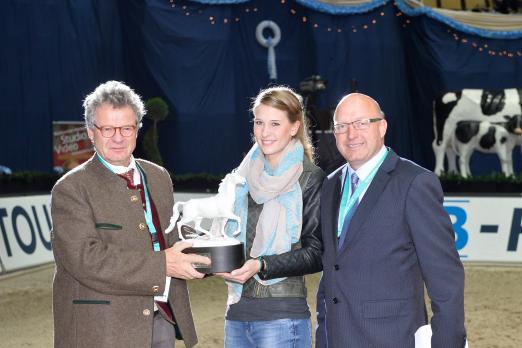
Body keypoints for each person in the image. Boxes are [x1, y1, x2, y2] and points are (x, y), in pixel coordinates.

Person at [51, 81, 210, 348]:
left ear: (137, 129)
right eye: (108, 129)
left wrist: (216, 252)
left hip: (162, 322)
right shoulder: (70, 188)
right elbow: (86, 260)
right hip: (104, 331)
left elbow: (172, 235)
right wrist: (162, 265)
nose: (118, 137)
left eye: (126, 128)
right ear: (91, 132)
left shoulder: (158, 177)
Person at [316, 93, 467, 347]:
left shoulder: (415, 183)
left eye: (362, 123)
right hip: (337, 337)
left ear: (382, 127)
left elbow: (445, 278)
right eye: (341, 127)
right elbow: (333, 268)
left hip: (392, 338)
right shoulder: (331, 185)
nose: (351, 134)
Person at [214, 86, 325, 348]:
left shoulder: (309, 178)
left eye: (275, 124)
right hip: (237, 314)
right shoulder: (242, 176)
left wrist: (262, 265)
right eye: (259, 122)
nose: (265, 132)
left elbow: (316, 253)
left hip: (282, 318)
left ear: (294, 127)